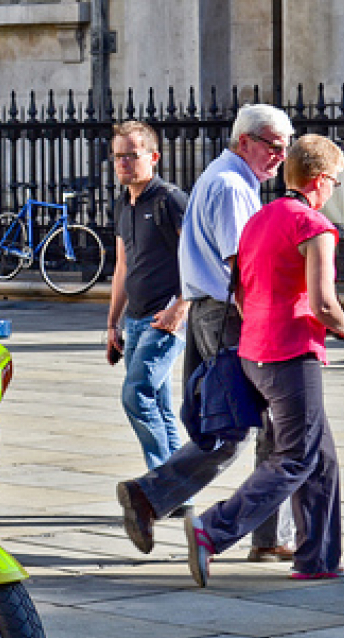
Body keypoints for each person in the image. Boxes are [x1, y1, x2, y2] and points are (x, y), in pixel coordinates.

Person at [117, 103, 297, 560]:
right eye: (274, 146)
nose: (281, 156)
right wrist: (268, 323)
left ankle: (270, 536)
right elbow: (244, 269)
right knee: (239, 428)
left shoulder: (224, 177)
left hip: (211, 312)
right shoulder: (233, 186)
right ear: (245, 142)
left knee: (258, 426)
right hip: (229, 316)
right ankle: (151, 494)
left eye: (287, 146)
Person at [184, 135, 344, 586]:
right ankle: (213, 528)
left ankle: (317, 559)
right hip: (291, 352)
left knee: (321, 458)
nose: (336, 190)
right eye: (336, 182)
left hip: (254, 352)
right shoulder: (313, 226)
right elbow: (323, 304)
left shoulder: (259, 219)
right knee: (297, 457)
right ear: (320, 180)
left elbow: (239, 290)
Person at [106, 120, 189, 470]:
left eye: (132, 155)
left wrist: (180, 308)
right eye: (118, 156)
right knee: (158, 404)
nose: (124, 163)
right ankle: (180, 491)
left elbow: (198, 258)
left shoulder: (170, 200)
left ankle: (161, 485)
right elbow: (122, 266)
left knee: (135, 394)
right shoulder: (123, 203)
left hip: (166, 319)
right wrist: (112, 323)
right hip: (137, 321)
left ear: (153, 157)